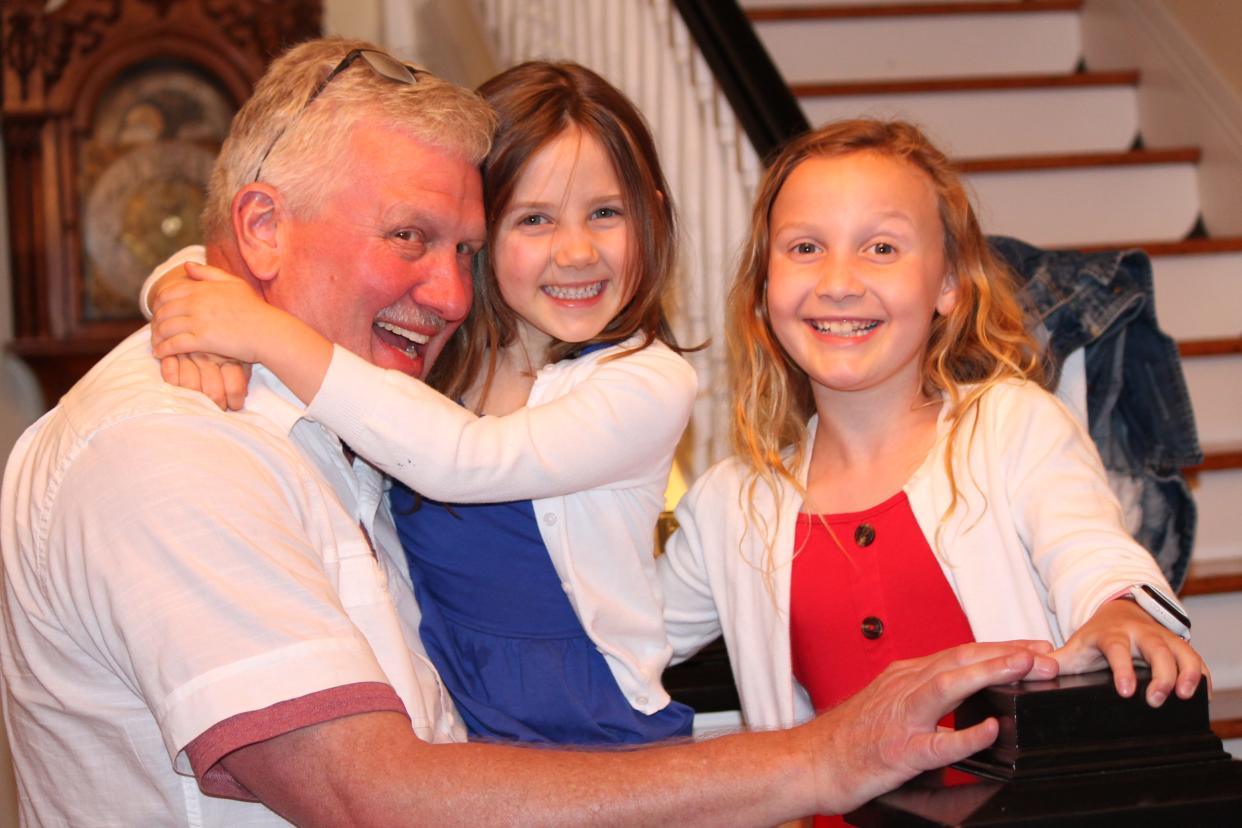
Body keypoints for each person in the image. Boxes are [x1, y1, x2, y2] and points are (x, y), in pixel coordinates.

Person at [0, 41, 1059, 826]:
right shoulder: (178, 449)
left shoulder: (337, 399)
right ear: (262, 230)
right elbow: (367, 794)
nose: (449, 292)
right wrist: (812, 756)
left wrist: (208, 296)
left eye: (463, 248)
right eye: (412, 237)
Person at [657, 119, 1207, 823]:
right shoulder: (733, 504)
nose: (839, 282)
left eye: (881, 247)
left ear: (949, 282)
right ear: (765, 289)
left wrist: (1117, 607)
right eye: (804, 248)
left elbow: (1089, 551)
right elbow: (620, 644)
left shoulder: (1011, 425)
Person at [146, 60, 698, 746]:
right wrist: (176, 290)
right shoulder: (441, 357)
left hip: (597, 727)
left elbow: (465, 461)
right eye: (534, 219)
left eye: (607, 213)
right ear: (483, 234)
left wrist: (262, 332)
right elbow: (219, 251)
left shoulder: (646, 382)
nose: (578, 250)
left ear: (652, 211)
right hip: (464, 735)